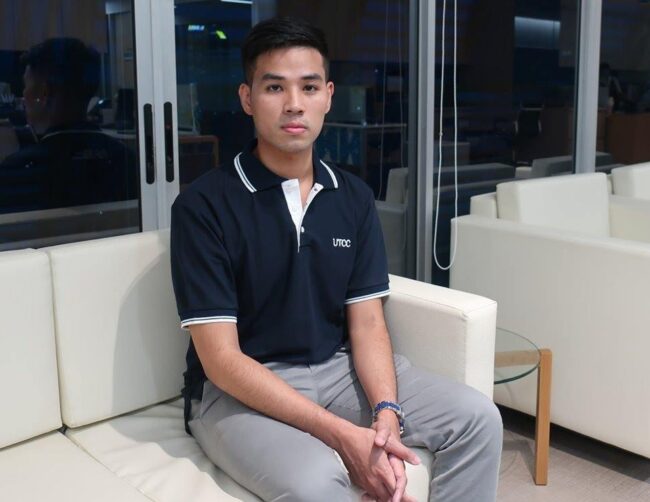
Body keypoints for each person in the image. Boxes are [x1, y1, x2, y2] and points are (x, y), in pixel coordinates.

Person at [170, 17, 502, 502]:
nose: (294, 104)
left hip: (336, 369)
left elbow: (367, 324)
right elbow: (221, 360)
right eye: (274, 87)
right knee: (316, 483)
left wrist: (386, 414)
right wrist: (343, 436)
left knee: (478, 418)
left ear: (328, 96)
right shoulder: (203, 206)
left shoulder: (353, 197)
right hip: (239, 390)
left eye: (308, 87)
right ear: (247, 98)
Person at [0, 38, 137, 213]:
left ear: (44, 93)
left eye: (25, 86)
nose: (23, 96)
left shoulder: (16, 173)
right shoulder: (127, 162)